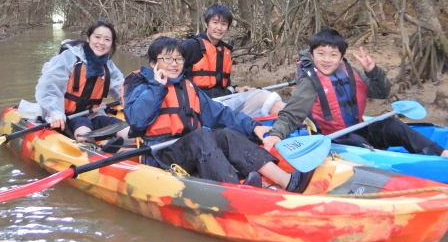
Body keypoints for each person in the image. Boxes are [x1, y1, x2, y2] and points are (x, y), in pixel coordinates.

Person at [123, 37, 313, 192]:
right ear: (154, 63)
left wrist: (253, 126)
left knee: (225, 134)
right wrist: (157, 86)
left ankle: (287, 181)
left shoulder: (187, 87)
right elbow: (137, 122)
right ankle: (233, 190)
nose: (174, 64)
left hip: (188, 147)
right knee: (202, 135)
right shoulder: (141, 85)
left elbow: (220, 113)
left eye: (179, 59)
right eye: (167, 59)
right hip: (160, 155)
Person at [262, 28, 448, 159]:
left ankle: (446, 155)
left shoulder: (351, 71)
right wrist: (276, 134)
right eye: (320, 54)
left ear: (341, 57)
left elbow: (381, 93)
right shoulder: (310, 83)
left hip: (360, 127)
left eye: (332, 55)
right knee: (358, 142)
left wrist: (373, 72)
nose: (326, 60)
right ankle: (390, 164)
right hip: (337, 138)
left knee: (393, 124)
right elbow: (292, 114)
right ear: (313, 55)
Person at [181, 4, 285, 117]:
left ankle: (297, 123)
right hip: (199, 106)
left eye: (223, 24)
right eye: (215, 22)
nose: (219, 28)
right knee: (262, 97)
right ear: (206, 24)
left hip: (220, 102)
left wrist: (237, 89)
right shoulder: (191, 46)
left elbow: (222, 85)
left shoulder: (224, 51)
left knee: (260, 96)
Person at [35, 19, 129, 144]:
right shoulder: (69, 57)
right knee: (83, 128)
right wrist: (55, 113)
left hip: (93, 115)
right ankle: (92, 150)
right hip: (67, 117)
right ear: (89, 38)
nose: (101, 43)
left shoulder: (108, 66)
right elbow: (49, 87)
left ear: (111, 44)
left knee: (127, 130)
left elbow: (123, 91)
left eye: (107, 39)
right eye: (97, 37)